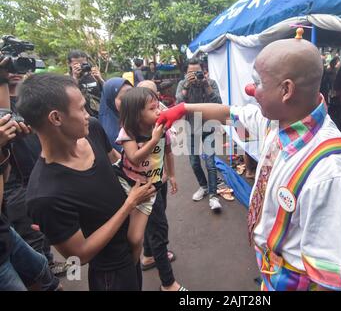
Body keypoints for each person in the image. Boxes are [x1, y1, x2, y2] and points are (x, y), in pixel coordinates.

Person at [159, 36, 341, 291]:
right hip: (271, 273)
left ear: (286, 90)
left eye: (258, 82)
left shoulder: (332, 175)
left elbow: (330, 280)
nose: (251, 89)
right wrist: (183, 108)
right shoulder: (277, 120)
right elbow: (229, 113)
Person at [16, 73, 156, 291]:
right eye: (81, 108)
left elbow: (119, 163)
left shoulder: (92, 130)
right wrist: (130, 204)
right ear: (56, 118)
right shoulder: (44, 194)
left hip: (131, 251)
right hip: (111, 273)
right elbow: (80, 254)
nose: (87, 114)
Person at [114, 87, 184, 291]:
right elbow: (134, 157)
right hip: (140, 187)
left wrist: (171, 175)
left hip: (156, 181)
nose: (159, 111)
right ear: (136, 115)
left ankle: (148, 256)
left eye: (159, 105)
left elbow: (168, 152)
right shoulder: (128, 132)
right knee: (159, 230)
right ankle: (168, 283)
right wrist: (153, 140)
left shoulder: (161, 127)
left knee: (155, 223)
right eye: (153, 108)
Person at [0, 57, 60, 291]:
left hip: (7, 232)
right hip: (15, 189)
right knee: (34, 238)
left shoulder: (26, 103)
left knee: (43, 269)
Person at [176, 58, 223, 212]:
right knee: (194, 162)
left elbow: (218, 102)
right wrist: (186, 86)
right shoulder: (183, 84)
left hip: (208, 128)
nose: (194, 75)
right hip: (190, 129)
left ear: (203, 71)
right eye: (191, 73)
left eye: (198, 72)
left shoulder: (210, 83)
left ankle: (213, 196)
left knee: (210, 163)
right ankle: (203, 186)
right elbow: (179, 104)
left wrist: (206, 85)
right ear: (186, 73)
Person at [99, 78, 133, 151]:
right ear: (111, 100)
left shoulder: (138, 115)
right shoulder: (109, 131)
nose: (130, 101)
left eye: (132, 96)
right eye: (123, 98)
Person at [68, 50, 104, 117]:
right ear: (69, 64)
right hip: (81, 117)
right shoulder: (67, 79)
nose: (81, 66)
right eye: (77, 64)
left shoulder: (93, 75)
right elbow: (69, 97)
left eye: (83, 64)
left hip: (99, 115)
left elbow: (107, 93)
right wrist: (75, 78)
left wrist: (100, 80)